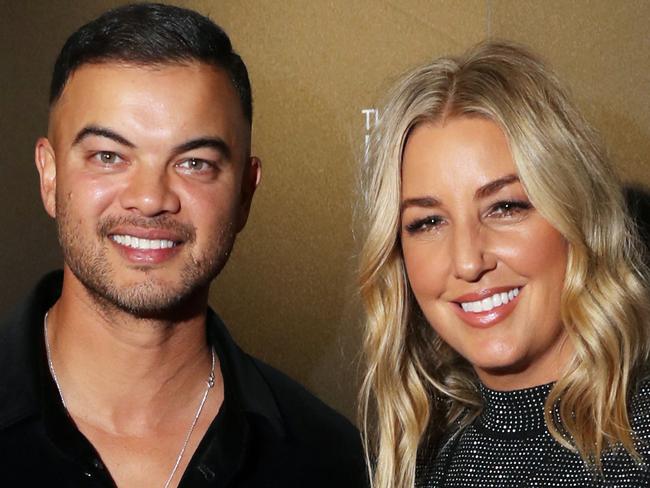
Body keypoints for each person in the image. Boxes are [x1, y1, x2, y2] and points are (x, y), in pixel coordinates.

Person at [0, 3, 365, 487]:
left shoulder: (329, 459)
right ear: (49, 176)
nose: (150, 199)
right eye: (109, 156)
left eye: (194, 163)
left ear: (245, 195)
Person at [358, 40, 650, 487]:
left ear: (575, 214)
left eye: (505, 207)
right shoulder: (425, 453)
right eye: (429, 221)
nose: (468, 261)